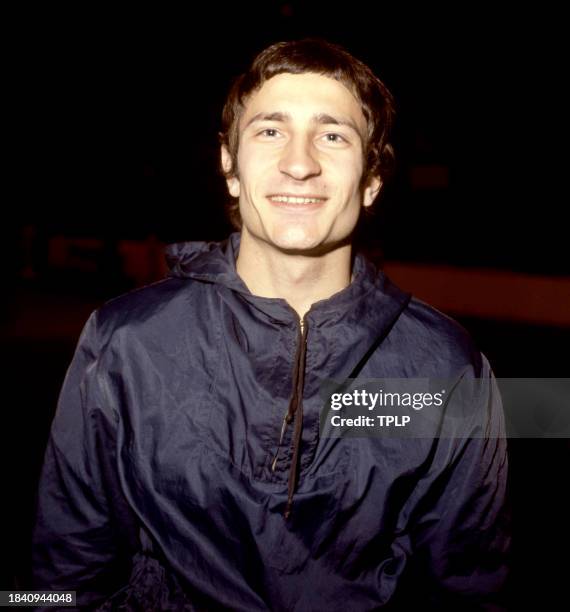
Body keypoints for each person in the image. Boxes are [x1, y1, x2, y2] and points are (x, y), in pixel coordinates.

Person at [31, 38, 510, 610]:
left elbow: (470, 588)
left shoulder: (444, 368)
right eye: (270, 131)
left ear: (372, 179)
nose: (300, 162)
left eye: (332, 135)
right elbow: (60, 583)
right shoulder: (125, 342)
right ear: (229, 166)